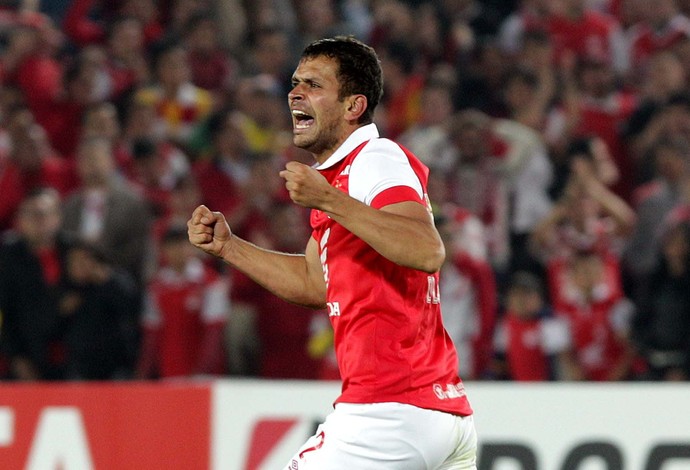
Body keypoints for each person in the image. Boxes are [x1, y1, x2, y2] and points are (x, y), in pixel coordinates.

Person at [188, 36, 476, 469]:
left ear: (353, 106)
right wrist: (229, 247)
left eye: (314, 85)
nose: (295, 93)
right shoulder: (342, 177)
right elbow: (314, 282)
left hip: (390, 412)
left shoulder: (374, 158)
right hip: (435, 412)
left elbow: (427, 249)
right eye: (295, 82)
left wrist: (329, 201)